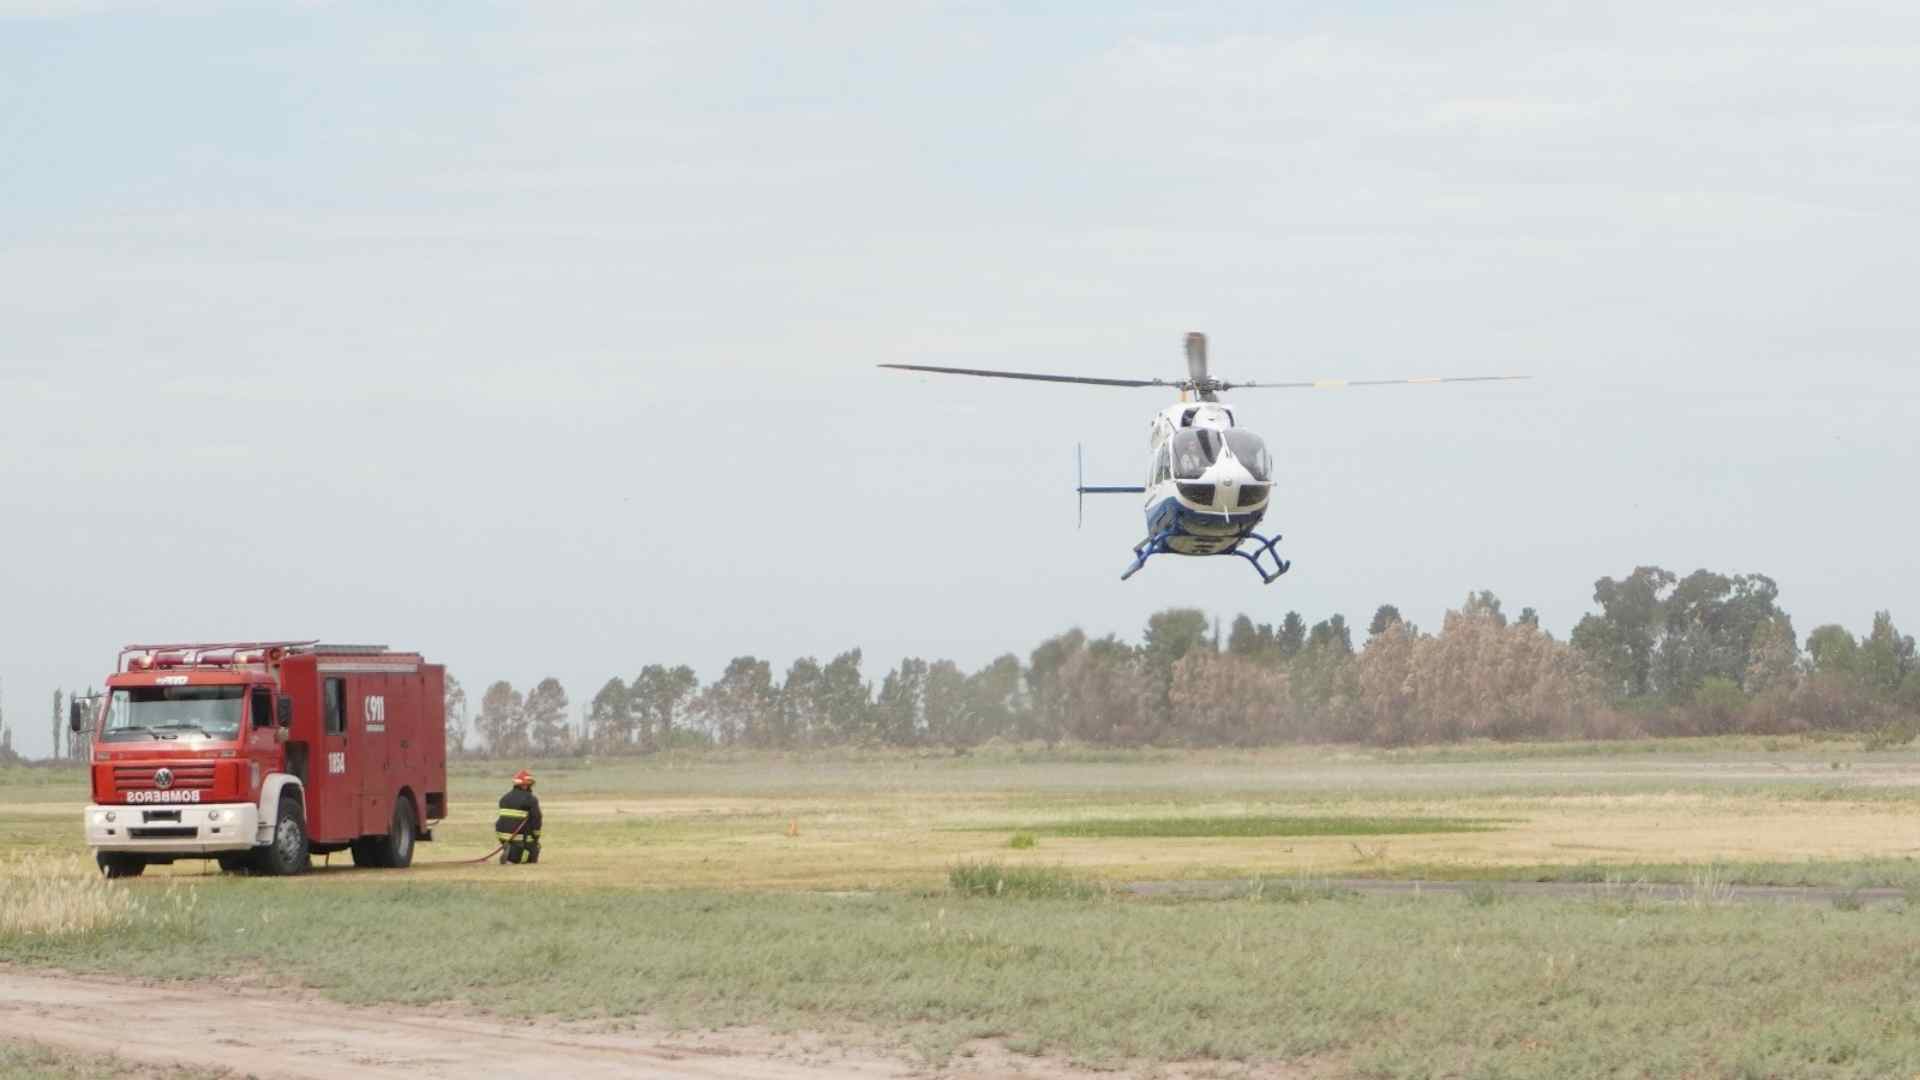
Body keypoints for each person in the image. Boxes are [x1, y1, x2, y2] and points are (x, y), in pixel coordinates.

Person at [495, 769, 542, 864]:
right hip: (519, 836)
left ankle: (510, 850)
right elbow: (537, 819)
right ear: (525, 785)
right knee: (533, 854)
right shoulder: (530, 799)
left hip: (502, 836)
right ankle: (513, 858)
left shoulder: (504, 798)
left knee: (517, 845)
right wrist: (536, 837)